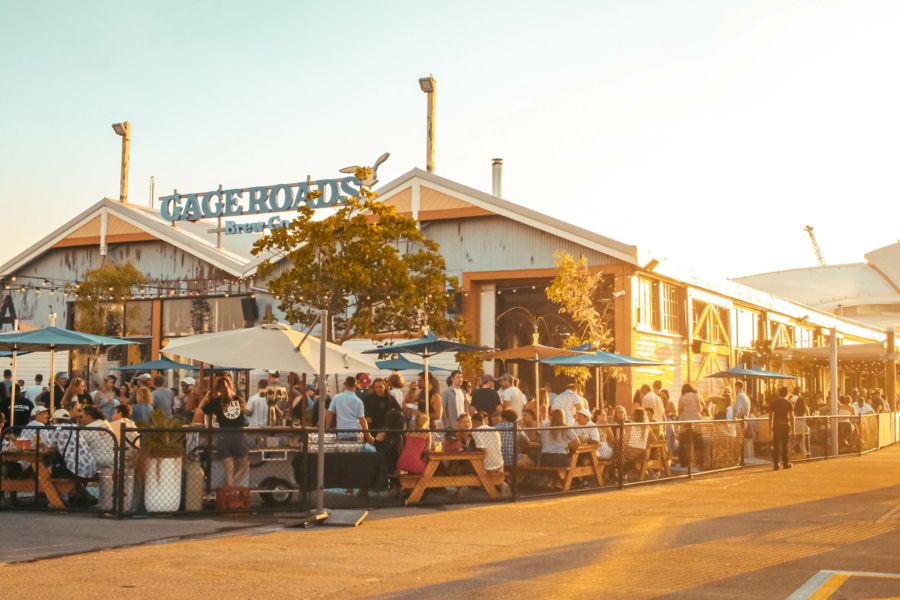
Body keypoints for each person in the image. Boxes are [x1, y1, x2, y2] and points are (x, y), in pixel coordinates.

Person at [200, 376, 250, 487]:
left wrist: (208, 394)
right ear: (231, 385)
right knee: (243, 466)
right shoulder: (239, 399)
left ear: (217, 389)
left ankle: (229, 488)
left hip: (223, 436)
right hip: (239, 436)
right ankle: (231, 487)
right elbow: (246, 414)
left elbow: (201, 410)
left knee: (229, 469)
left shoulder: (216, 402)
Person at [326, 376, 375, 443]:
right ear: (356, 386)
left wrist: (327, 428)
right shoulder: (358, 401)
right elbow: (362, 420)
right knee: (355, 452)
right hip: (355, 432)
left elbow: (329, 413)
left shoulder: (337, 397)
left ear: (345, 385)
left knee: (343, 451)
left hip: (341, 432)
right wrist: (368, 436)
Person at [769, 386, 795, 470]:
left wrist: (770, 426)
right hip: (785, 425)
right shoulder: (788, 403)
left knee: (776, 445)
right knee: (785, 444)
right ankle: (785, 463)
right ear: (786, 393)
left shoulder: (774, 403)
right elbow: (791, 417)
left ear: (779, 393)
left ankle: (776, 463)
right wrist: (793, 429)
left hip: (776, 425)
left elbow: (770, 416)